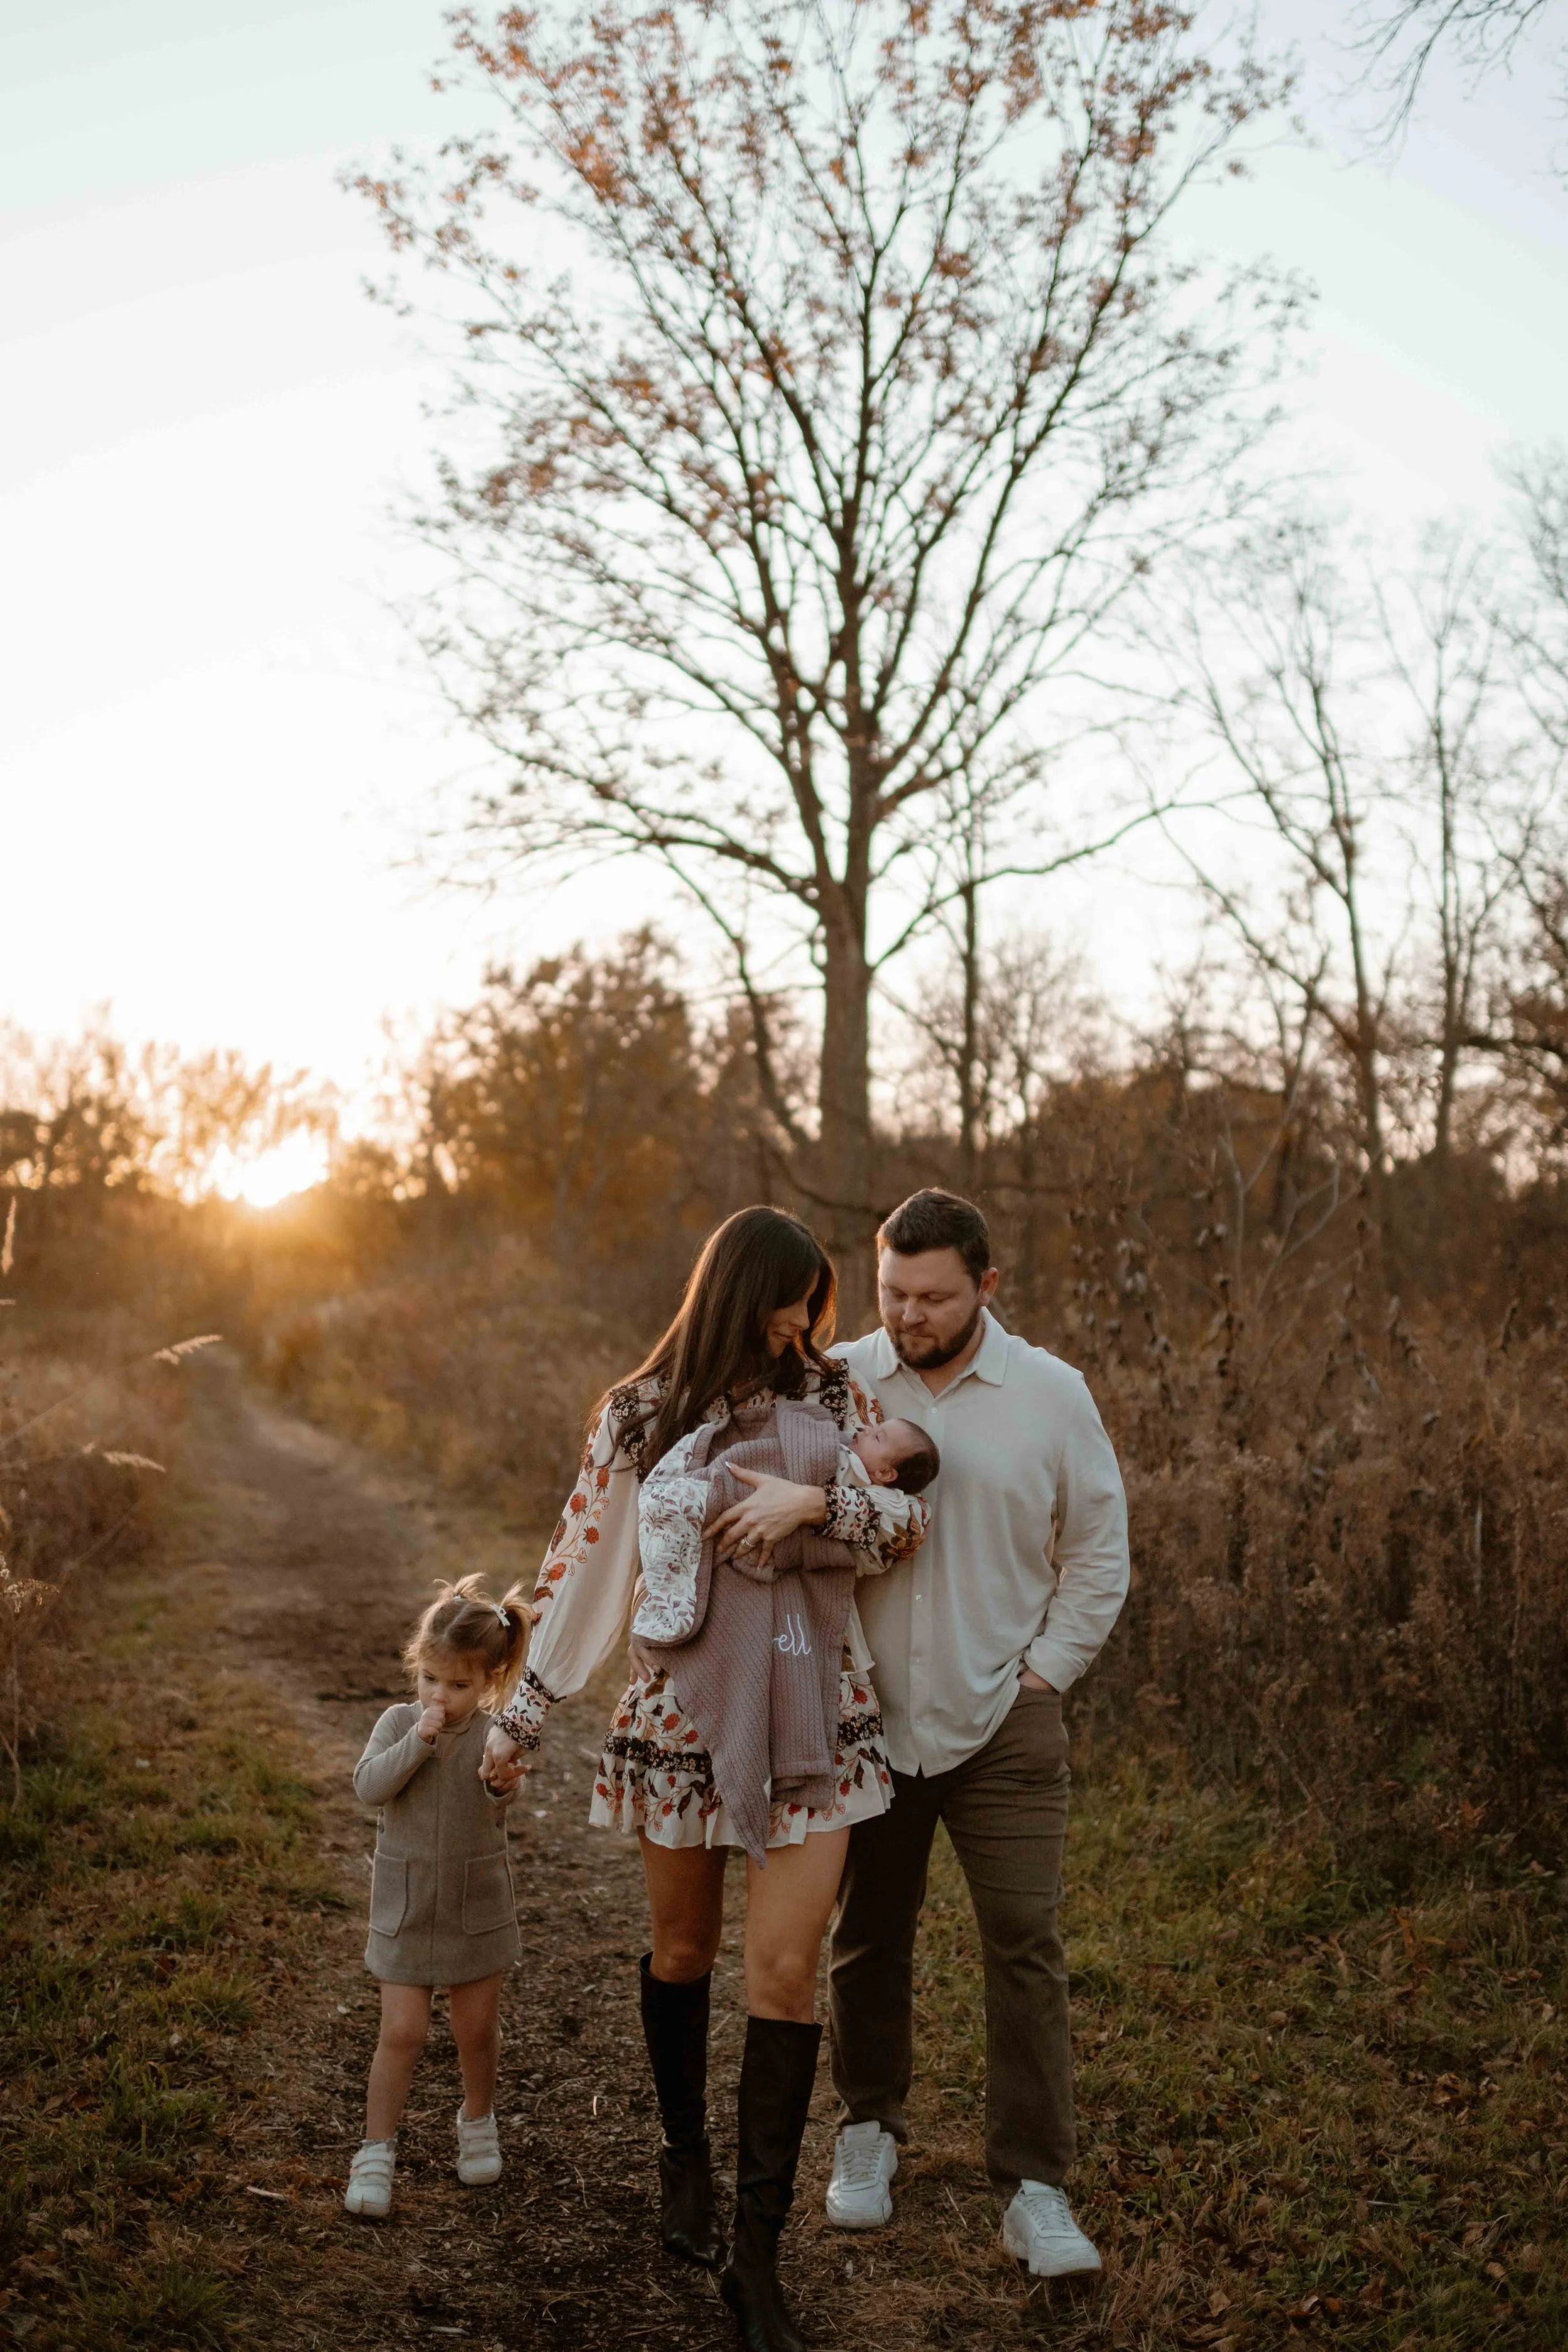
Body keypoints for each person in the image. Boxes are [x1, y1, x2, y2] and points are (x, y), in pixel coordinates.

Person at [480, 1207, 930, 2352]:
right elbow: (582, 1567)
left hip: (820, 1719)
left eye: (816, 1307)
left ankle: (758, 2260)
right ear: (746, 1293)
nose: (807, 1325)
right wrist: (523, 1714)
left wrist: (814, 1502)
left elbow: (906, 1519)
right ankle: (684, 2154)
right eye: (795, 1301)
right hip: (679, 1716)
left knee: (785, 1980)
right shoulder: (638, 1414)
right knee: (683, 1953)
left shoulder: (833, 1397)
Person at [824, 1189, 1130, 2280]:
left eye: (935, 1296)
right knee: (867, 1935)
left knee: (1025, 1948)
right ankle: (868, 2132)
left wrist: (1048, 1675)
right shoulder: (838, 1379)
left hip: (1006, 1716)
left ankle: (1035, 2188)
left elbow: (1098, 1549)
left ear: (987, 1288)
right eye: (893, 1293)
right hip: (867, 1721)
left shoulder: (1051, 1394)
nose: (908, 1315)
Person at [345, 1575, 533, 2220]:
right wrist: (417, 1740)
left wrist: (503, 1784)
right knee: (401, 2032)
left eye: (458, 1686)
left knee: (474, 2028)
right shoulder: (399, 1722)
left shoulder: (495, 1733)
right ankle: (376, 2148)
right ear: (417, 1669)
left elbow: (500, 1801)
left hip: (474, 1898)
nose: (440, 1697)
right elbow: (369, 1788)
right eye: (431, 1679)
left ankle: (477, 2120)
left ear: (489, 1681)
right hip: (407, 1903)